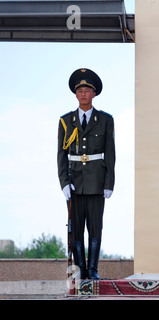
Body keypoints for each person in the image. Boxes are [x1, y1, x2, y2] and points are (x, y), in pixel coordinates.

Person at [57, 68, 115, 280]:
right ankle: (80, 271)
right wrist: (64, 183)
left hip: (97, 182)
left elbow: (110, 154)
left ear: (94, 93)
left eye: (87, 90)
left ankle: (93, 270)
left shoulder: (106, 120)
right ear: (75, 94)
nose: (83, 94)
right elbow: (61, 156)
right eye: (79, 90)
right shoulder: (65, 121)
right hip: (74, 182)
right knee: (77, 230)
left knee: (95, 229)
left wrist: (109, 183)